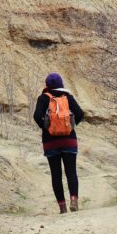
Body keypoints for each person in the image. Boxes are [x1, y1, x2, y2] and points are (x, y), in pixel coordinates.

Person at [32, 72, 84, 214]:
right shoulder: (67, 96)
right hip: (69, 139)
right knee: (71, 171)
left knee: (56, 174)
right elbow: (80, 114)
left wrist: (46, 128)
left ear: (47, 85)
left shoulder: (43, 98)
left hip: (50, 142)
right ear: (61, 84)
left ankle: (62, 207)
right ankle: (74, 199)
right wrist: (70, 126)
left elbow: (36, 116)